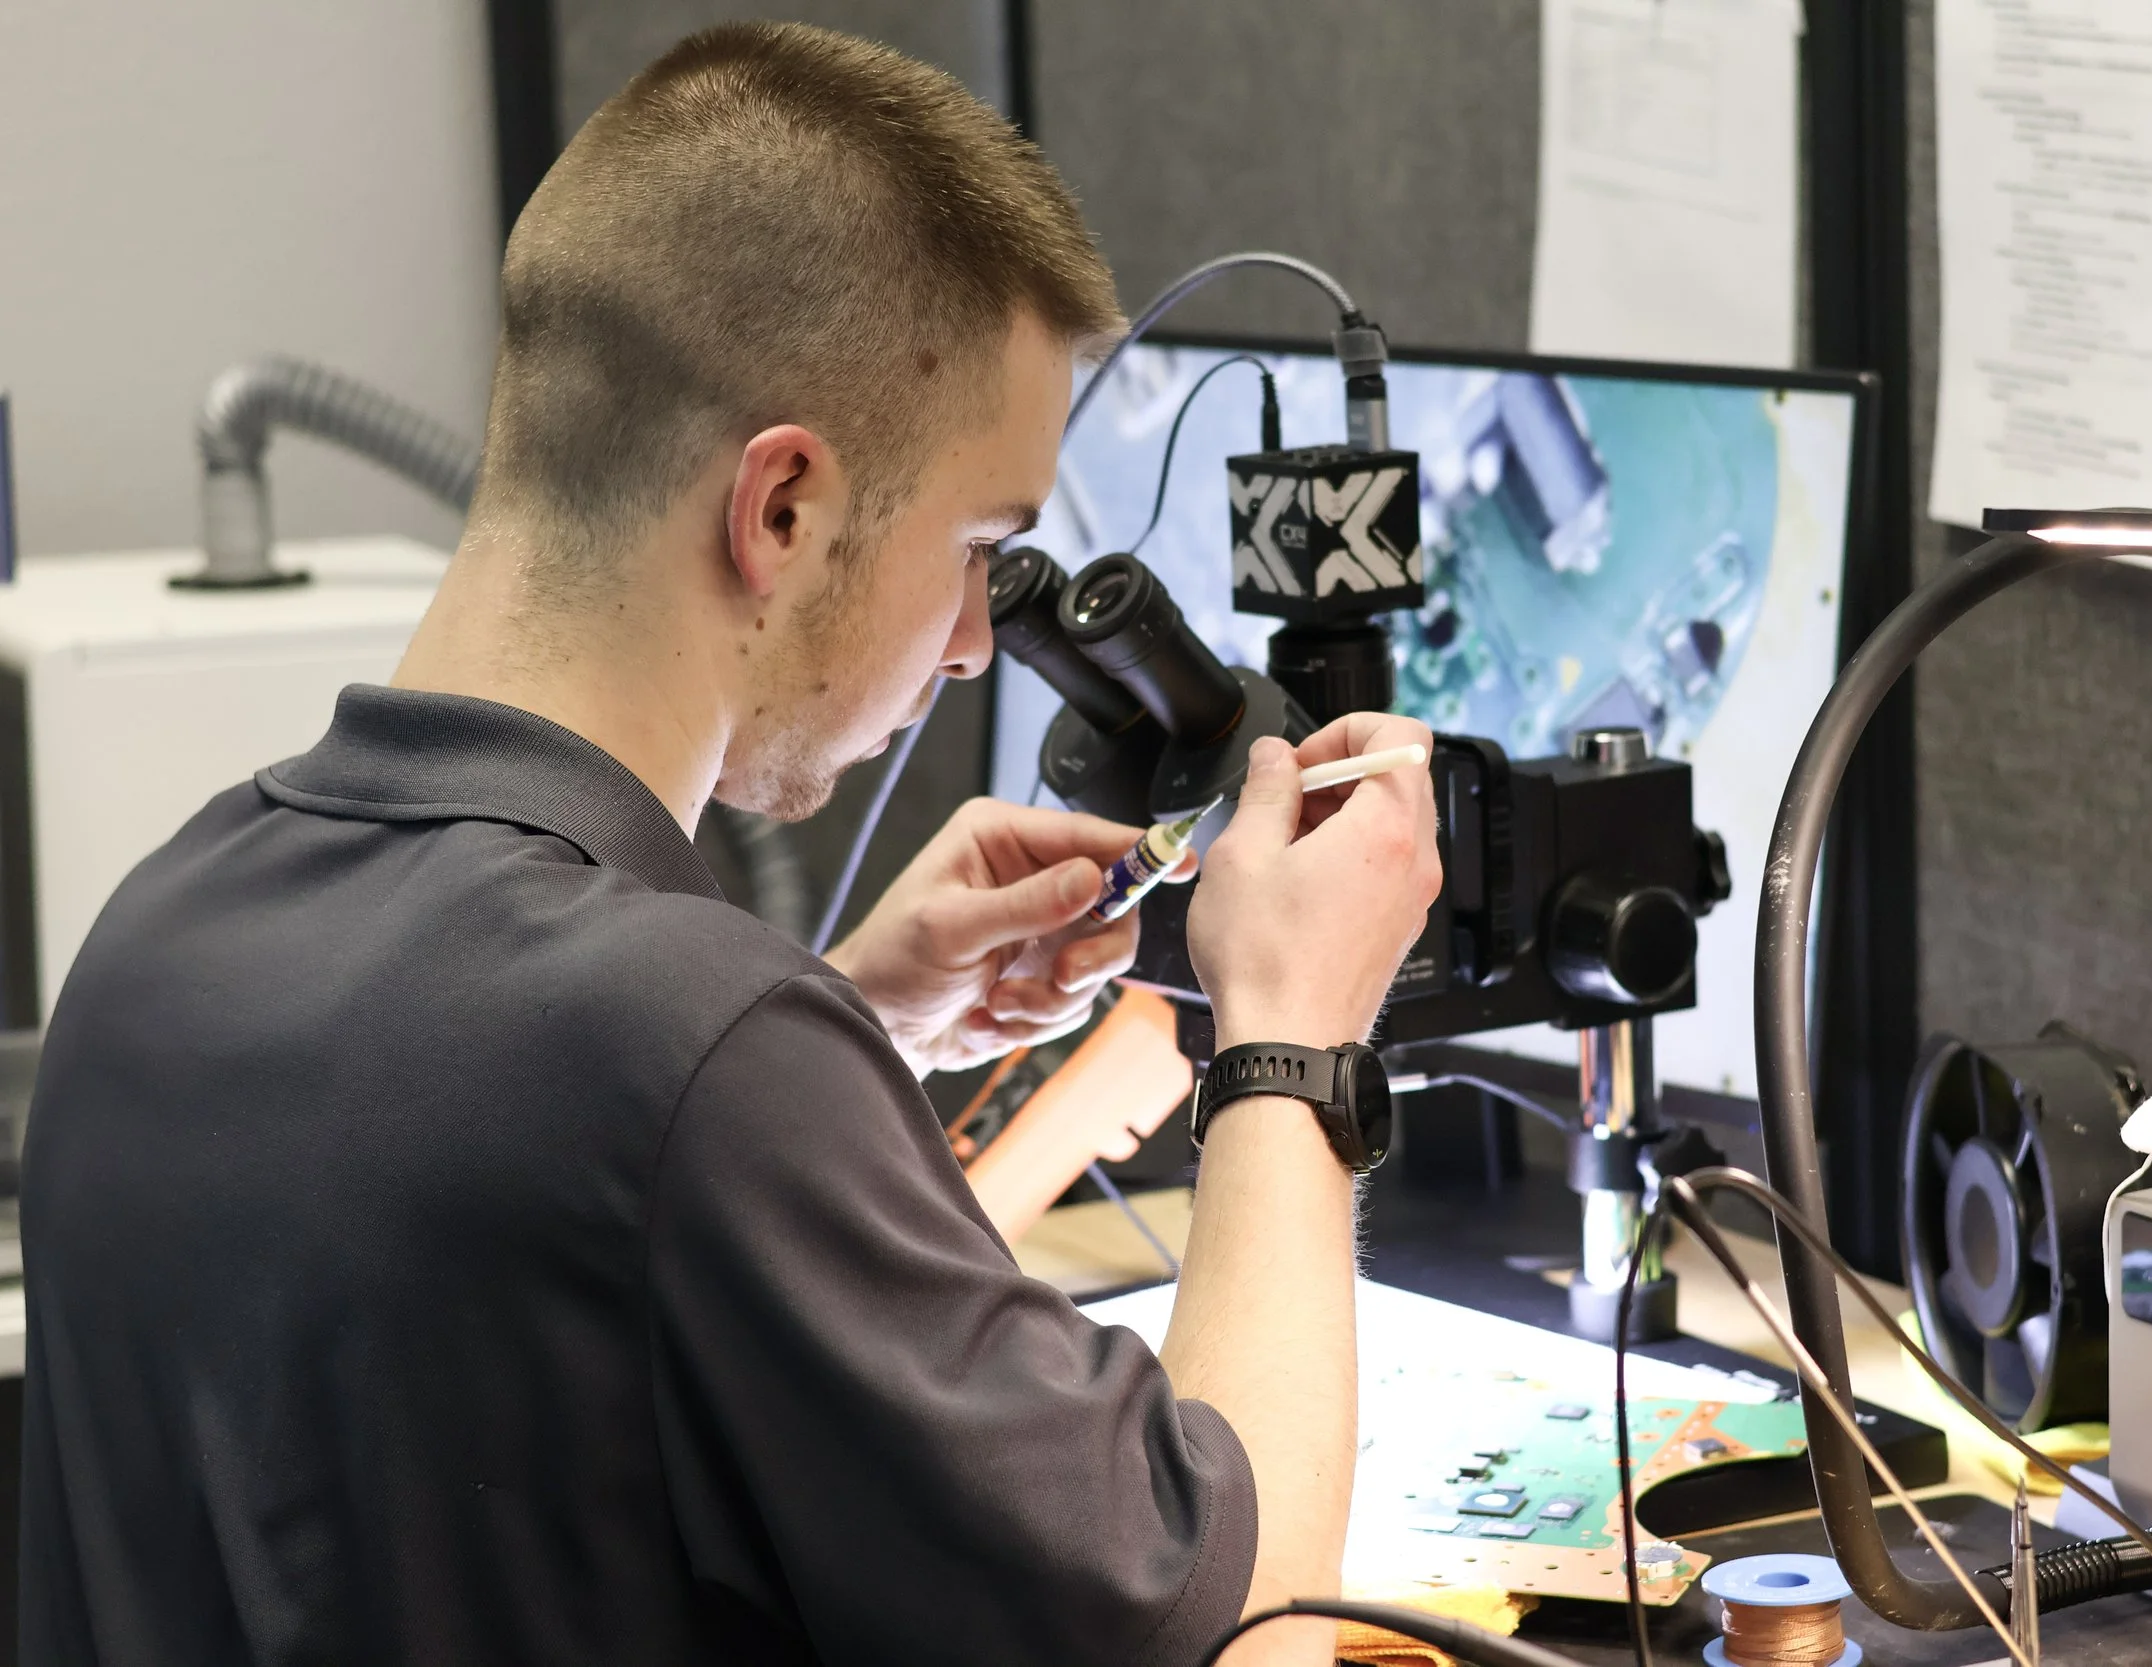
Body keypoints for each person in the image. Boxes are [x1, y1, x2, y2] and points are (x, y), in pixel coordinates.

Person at [17, 24, 1438, 1667]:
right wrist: (1293, 1039)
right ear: (780, 509)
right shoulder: (681, 1044)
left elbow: (485, 1205)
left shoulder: (153, 940)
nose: (977, 640)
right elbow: (1245, 1639)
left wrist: (846, 1019)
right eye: (980, 546)